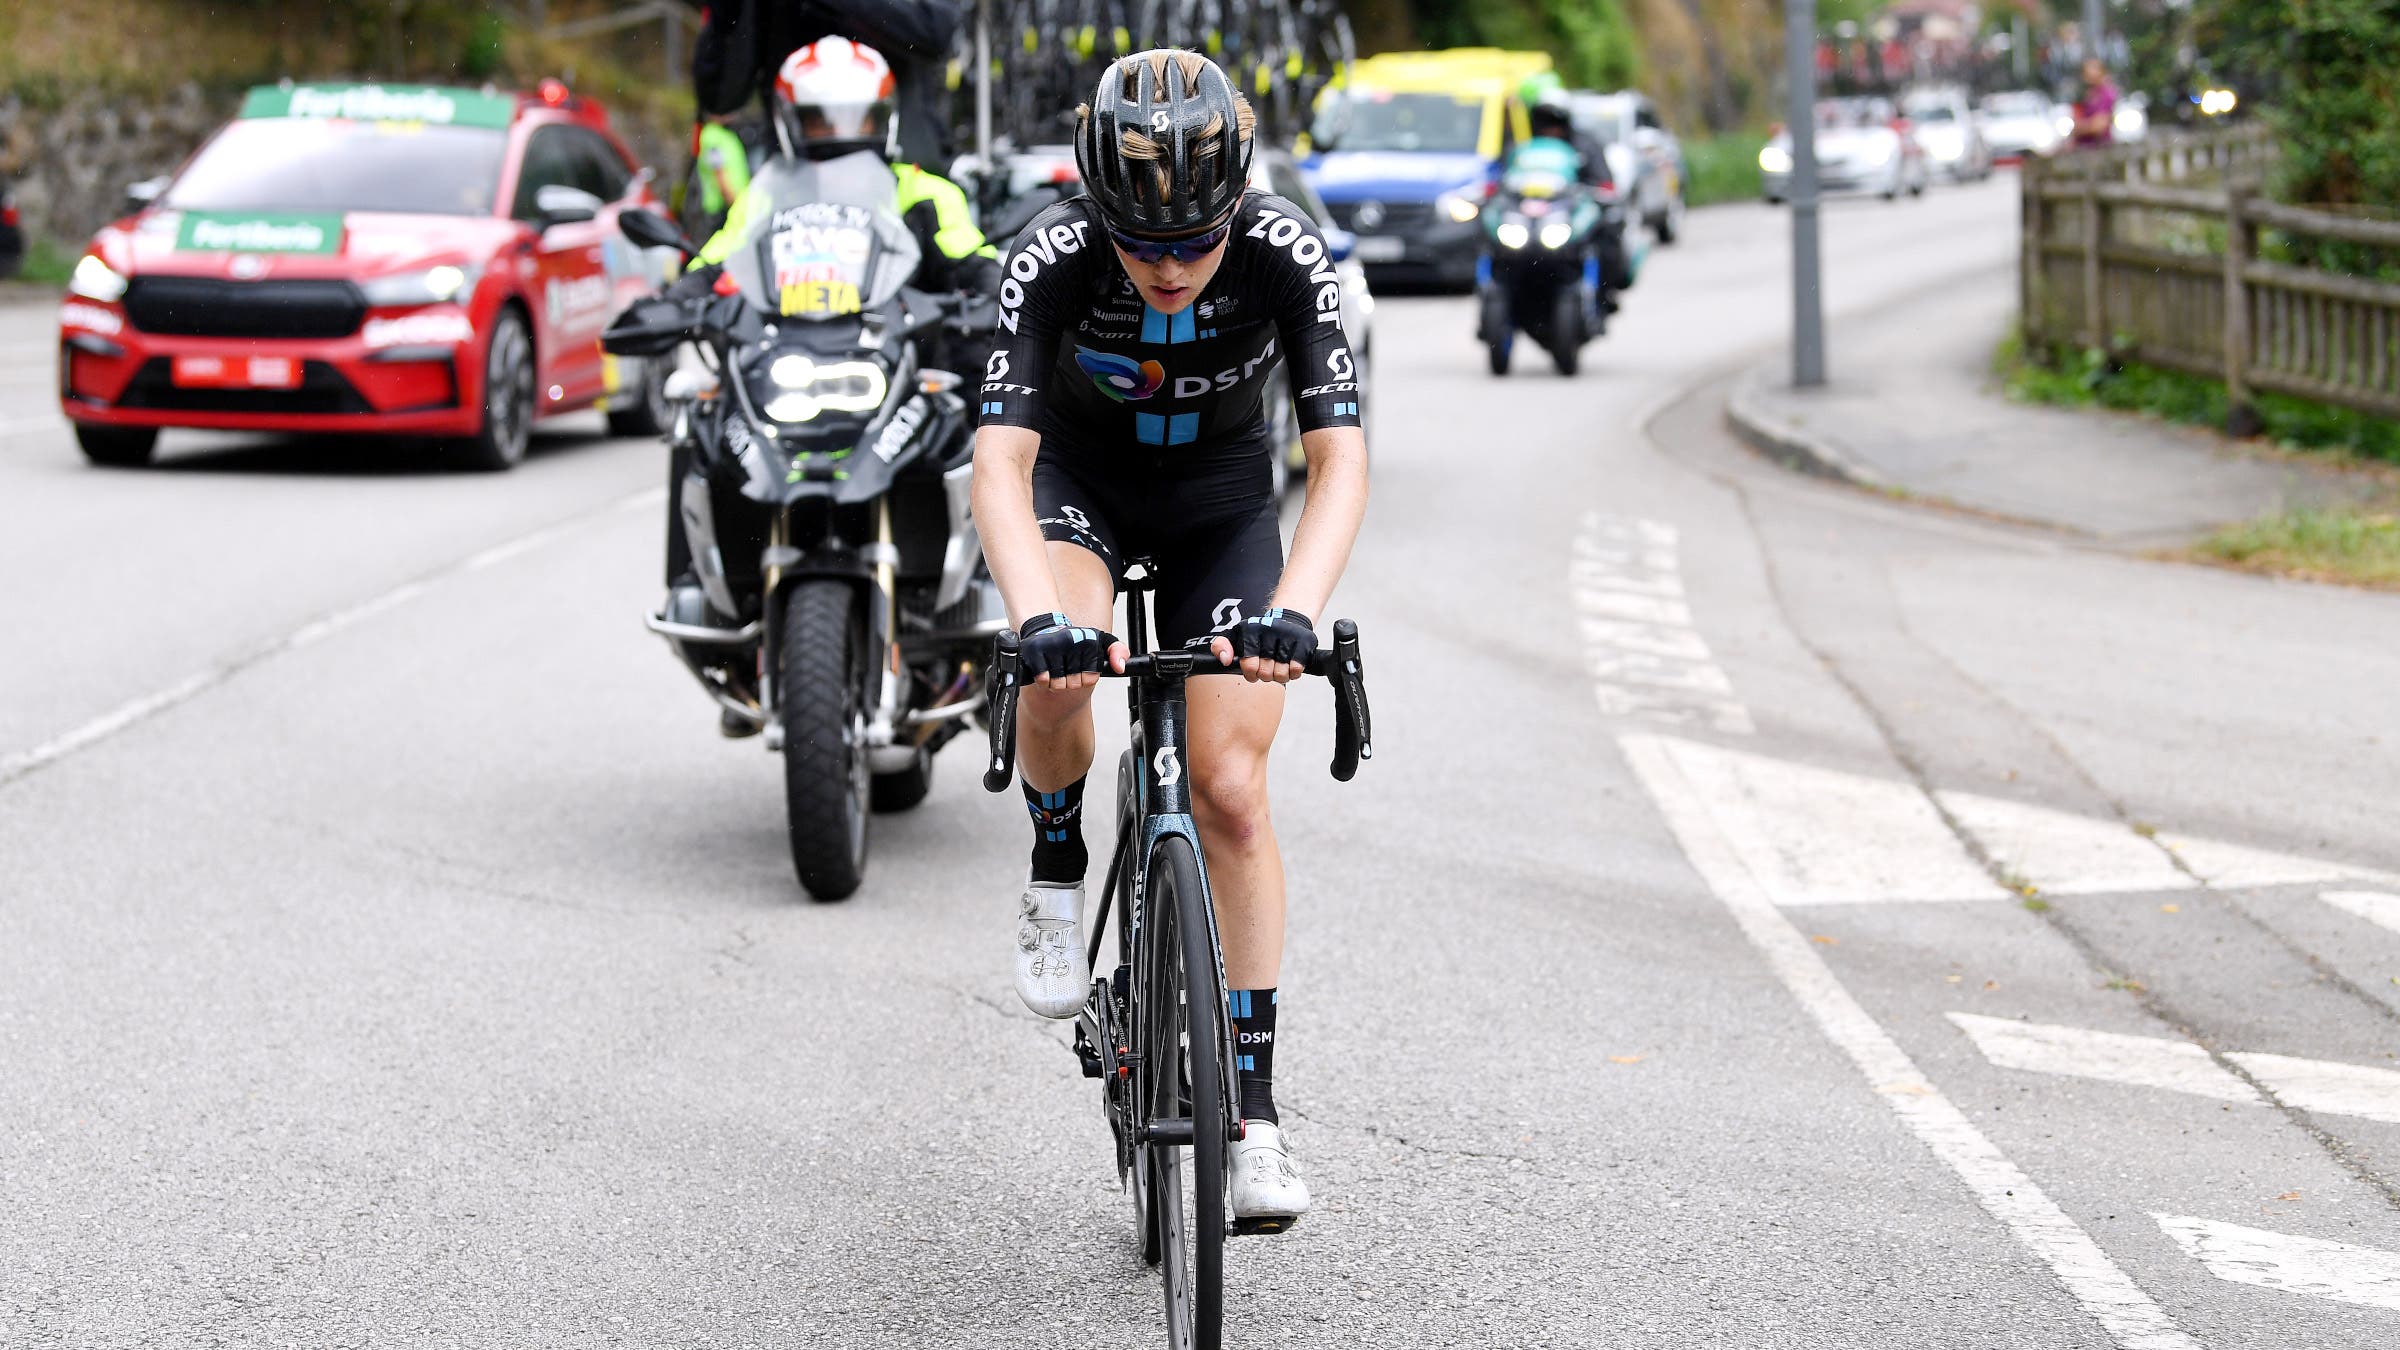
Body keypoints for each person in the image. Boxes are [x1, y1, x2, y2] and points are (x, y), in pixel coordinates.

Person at [969, 49, 1370, 1229]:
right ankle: (1056, 857)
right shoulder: (1049, 255)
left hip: (1221, 503)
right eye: (1141, 244)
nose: (1170, 267)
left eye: (1196, 242)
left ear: (1236, 203)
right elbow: (1000, 466)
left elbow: (1338, 461)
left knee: (1230, 788)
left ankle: (1254, 1120)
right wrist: (1036, 622)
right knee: (1058, 676)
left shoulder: (1285, 250)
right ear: (1099, 208)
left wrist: (1294, 610)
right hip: (1082, 489)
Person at [661, 38, 1001, 671]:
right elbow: (714, 263)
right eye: (821, 118)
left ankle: (993, 576)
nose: (839, 132)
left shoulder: (922, 190)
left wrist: (994, 292)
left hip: (897, 364)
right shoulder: (763, 196)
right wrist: (673, 301)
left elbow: (972, 257)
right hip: (787, 362)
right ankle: (704, 590)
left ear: (883, 118)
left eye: (855, 116)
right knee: (695, 414)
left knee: (994, 412)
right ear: (791, 120)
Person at [691, 0, 961, 168]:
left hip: (900, 174)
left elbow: (935, 29)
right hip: (794, 182)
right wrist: (728, 11)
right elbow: (721, 96)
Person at [687, 111, 753, 240]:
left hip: (735, 205)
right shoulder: (712, 135)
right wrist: (735, 204)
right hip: (721, 209)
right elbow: (719, 172)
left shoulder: (725, 134)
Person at [2071, 57, 2117, 149]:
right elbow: (2073, 125)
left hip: (2101, 147)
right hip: (2082, 148)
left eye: (2094, 69)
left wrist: (2082, 127)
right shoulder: (2082, 95)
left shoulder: (2107, 94)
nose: (2090, 74)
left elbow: (2100, 126)